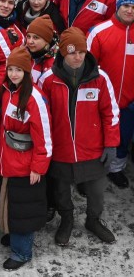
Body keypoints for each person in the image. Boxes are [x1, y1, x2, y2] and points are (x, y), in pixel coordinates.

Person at [39, 28, 119, 246]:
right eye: (72, 52)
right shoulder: (48, 79)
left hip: (92, 149)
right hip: (61, 149)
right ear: (63, 53)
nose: (77, 57)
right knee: (61, 191)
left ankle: (93, 220)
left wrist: (111, 144)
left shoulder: (100, 78)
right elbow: (41, 117)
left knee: (96, 191)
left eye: (81, 52)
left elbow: (110, 113)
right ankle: (67, 219)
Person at [0, 46, 52, 270]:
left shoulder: (34, 98)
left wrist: (38, 167)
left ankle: (22, 252)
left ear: (27, 72)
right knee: (13, 205)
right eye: (11, 69)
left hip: (25, 164)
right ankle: (14, 236)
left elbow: (44, 137)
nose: (13, 74)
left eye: (19, 70)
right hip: (10, 160)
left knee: (23, 210)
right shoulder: (10, 91)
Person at [87, 0, 134, 188]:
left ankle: (116, 168)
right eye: (126, 5)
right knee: (94, 135)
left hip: (129, 101)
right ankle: (89, 172)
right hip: (102, 99)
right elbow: (87, 66)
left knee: (123, 136)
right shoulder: (99, 31)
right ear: (118, 6)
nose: (130, 11)